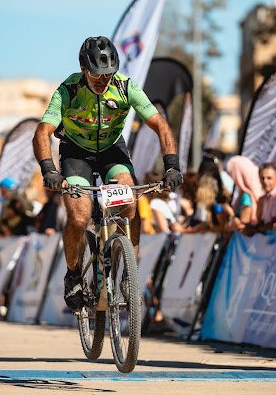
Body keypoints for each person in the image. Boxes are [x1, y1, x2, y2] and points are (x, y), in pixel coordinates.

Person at [32, 36, 182, 312]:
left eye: (108, 74)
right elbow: (43, 131)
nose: (103, 80)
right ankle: (73, 275)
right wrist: (49, 169)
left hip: (112, 150)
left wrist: (172, 165)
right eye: (96, 74)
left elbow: (160, 124)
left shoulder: (125, 87)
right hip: (76, 154)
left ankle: (129, 275)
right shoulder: (69, 90)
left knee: (130, 203)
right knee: (79, 216)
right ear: (84, 69)